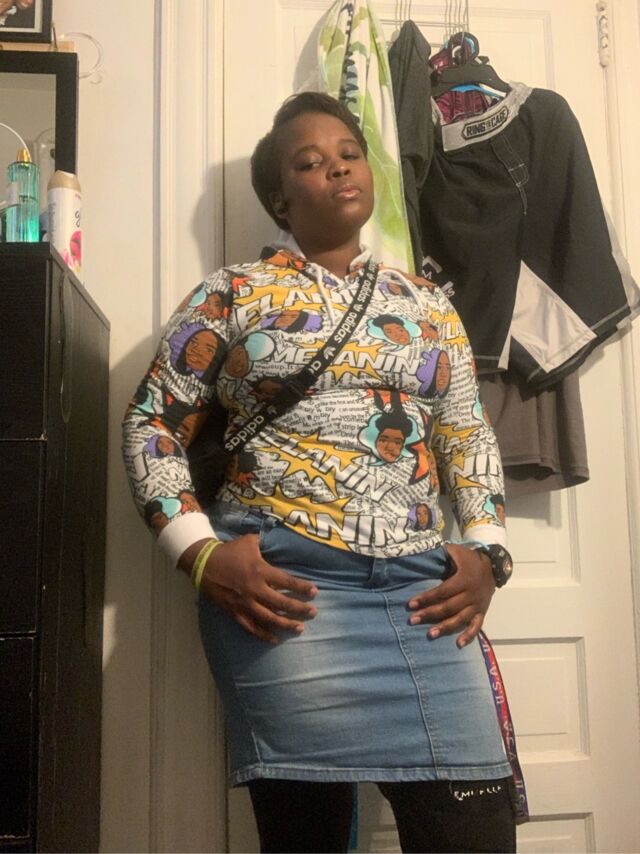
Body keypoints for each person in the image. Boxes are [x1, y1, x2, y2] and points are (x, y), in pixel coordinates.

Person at [123, 92, 521, 853]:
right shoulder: (230, 293)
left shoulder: (427, 303)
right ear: (280, 199)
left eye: (348, 153)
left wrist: (490, 552)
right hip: (284, 594)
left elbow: (466, 432)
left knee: (474, 831)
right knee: (308, 838)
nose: (337, 167)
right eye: (309, 162)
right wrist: (198, 553)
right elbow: (153, 423)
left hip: (425, 593)